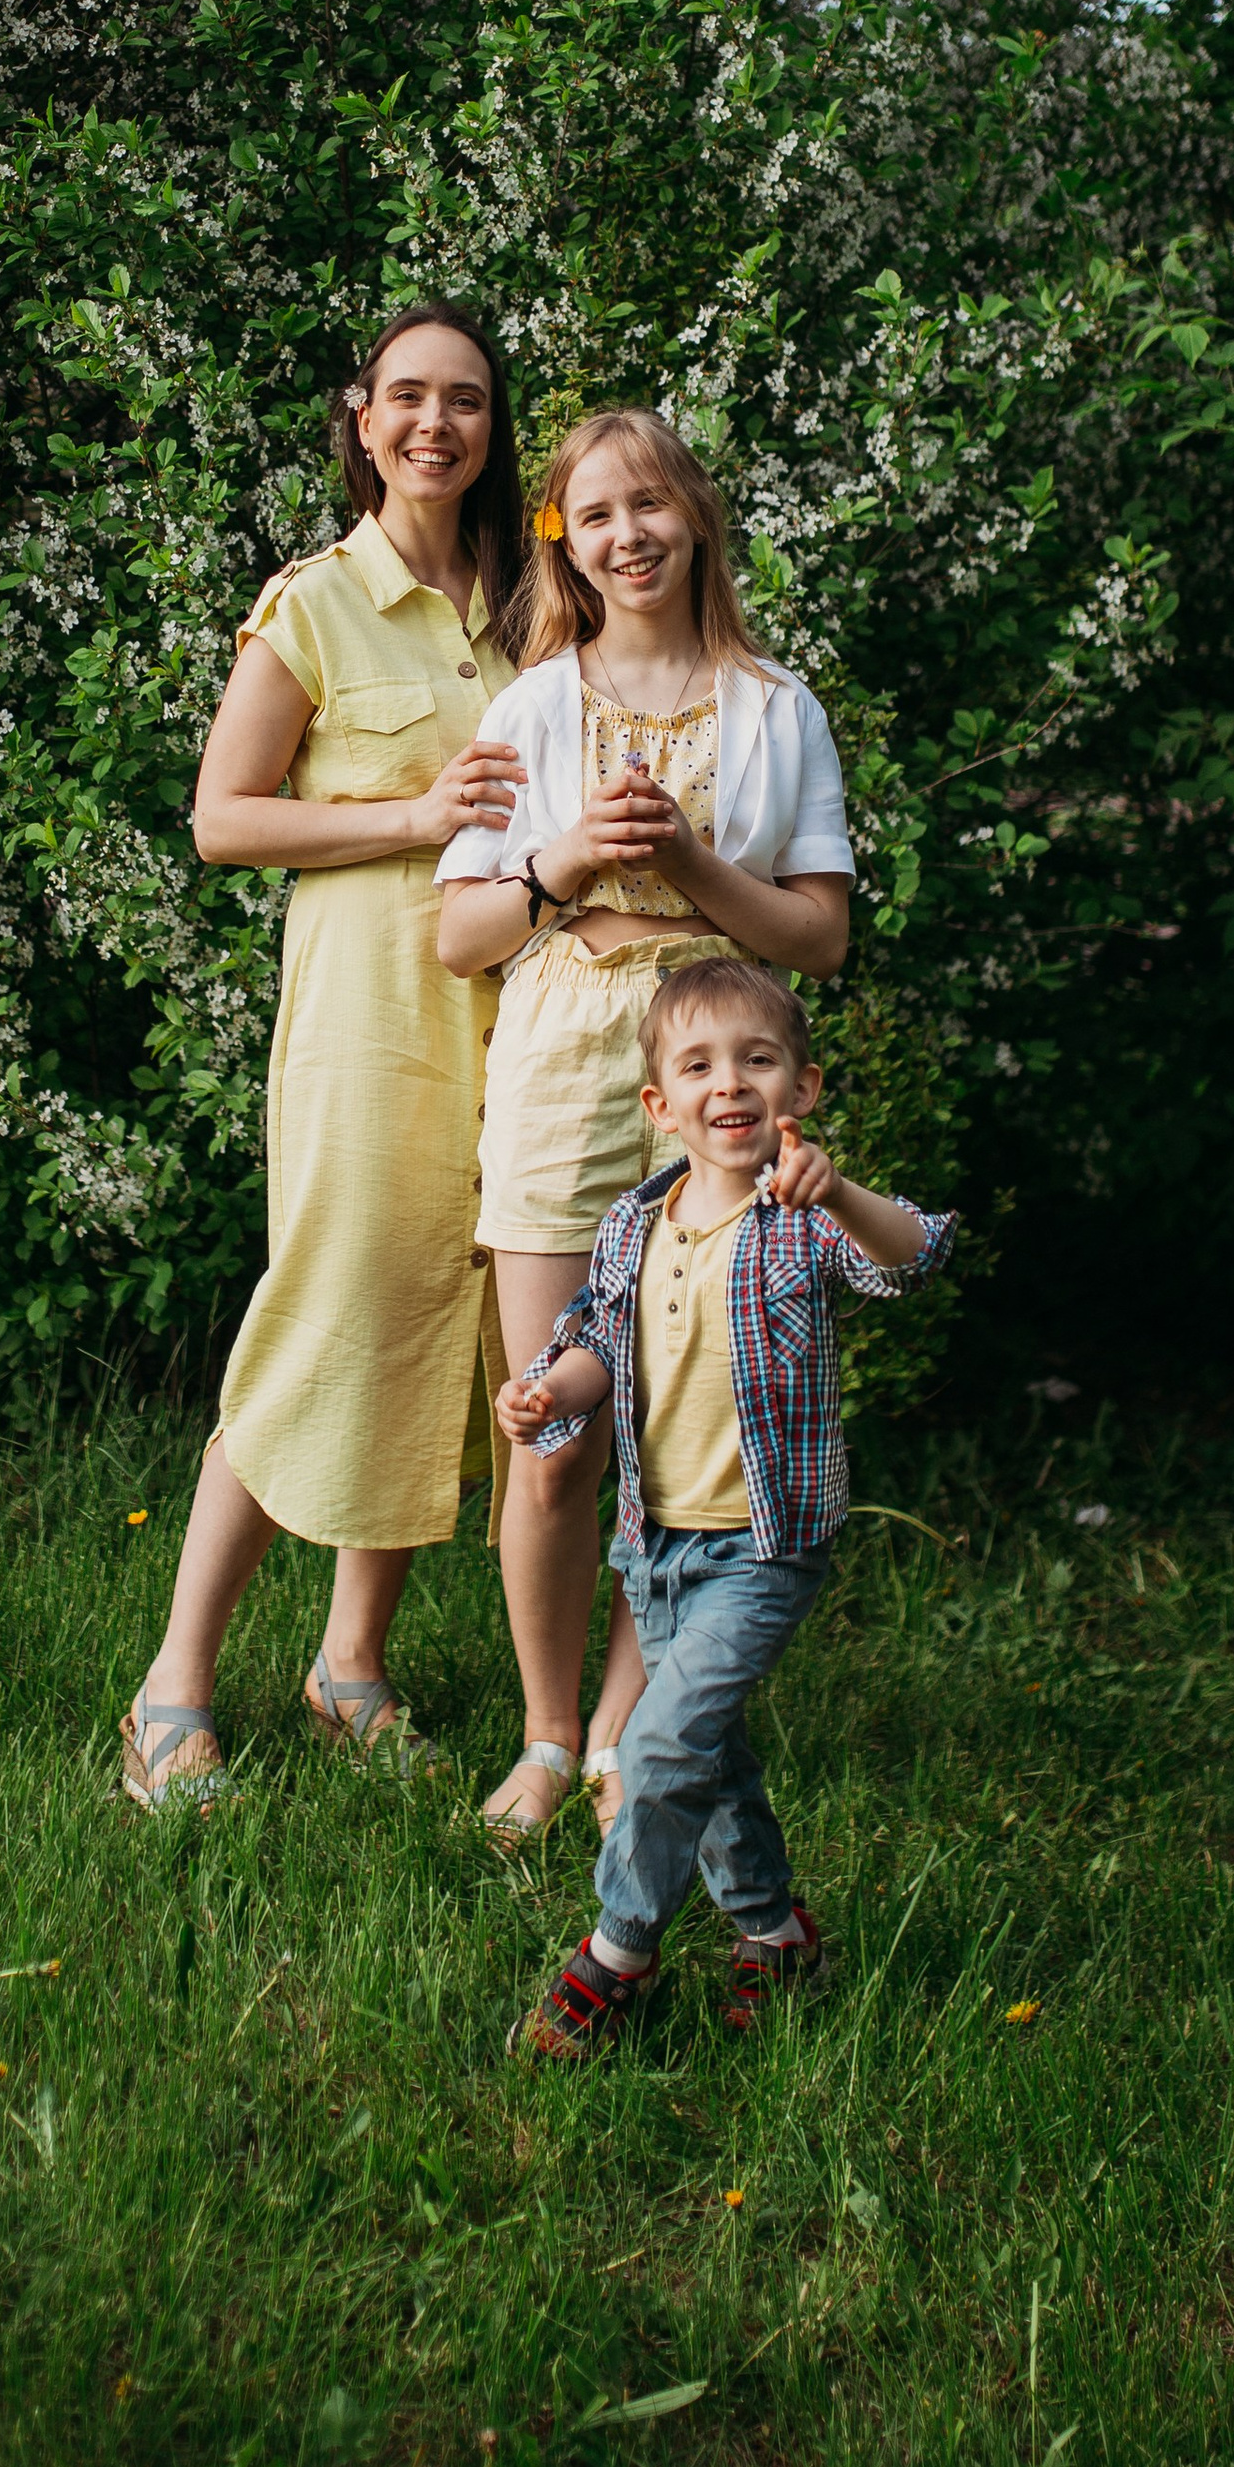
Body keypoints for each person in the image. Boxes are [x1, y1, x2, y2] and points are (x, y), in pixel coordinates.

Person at [121, 303, 529, 1810]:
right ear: (363, 420)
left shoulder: (528, 602)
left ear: (494, 431)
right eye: (408, 397)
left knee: (452, 1310)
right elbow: (225, 821)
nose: (437, 424)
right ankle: (173, 1690)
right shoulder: (315, 603)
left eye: (468, 401)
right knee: (326, 1311)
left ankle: (351, 1665)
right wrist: (413, 818)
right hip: (368, 1017)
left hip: (517, 1011)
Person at [434, 411, 853, 1840]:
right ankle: (547, 1731)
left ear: (699, 520)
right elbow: (457, 936)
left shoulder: (777, 708)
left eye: (654, 505)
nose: (629, 534)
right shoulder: (532, 708)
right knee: (557, 1429)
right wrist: (562, 861)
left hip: (716, 1076)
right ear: (564, 537)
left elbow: (818, 939)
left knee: (685, 1429)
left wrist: (689, 857)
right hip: (562, 1064)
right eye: (596, 513)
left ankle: (627, 1724)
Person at [496, 957, 953, 2055]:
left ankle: (616, 1957)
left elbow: (918, 1253)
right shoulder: (632, 1225)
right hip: (656, 1548)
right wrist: (547, 1391)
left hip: (766, 1542)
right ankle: (773, 1933)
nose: (729, 1084)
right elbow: (600, 1339)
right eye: (698, 1066)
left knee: (654, 1750)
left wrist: (837, 1189)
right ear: (661, 1106)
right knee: (712, 1753)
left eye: (757, 1060)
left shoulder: (800, 1215)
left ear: (800, 1088)